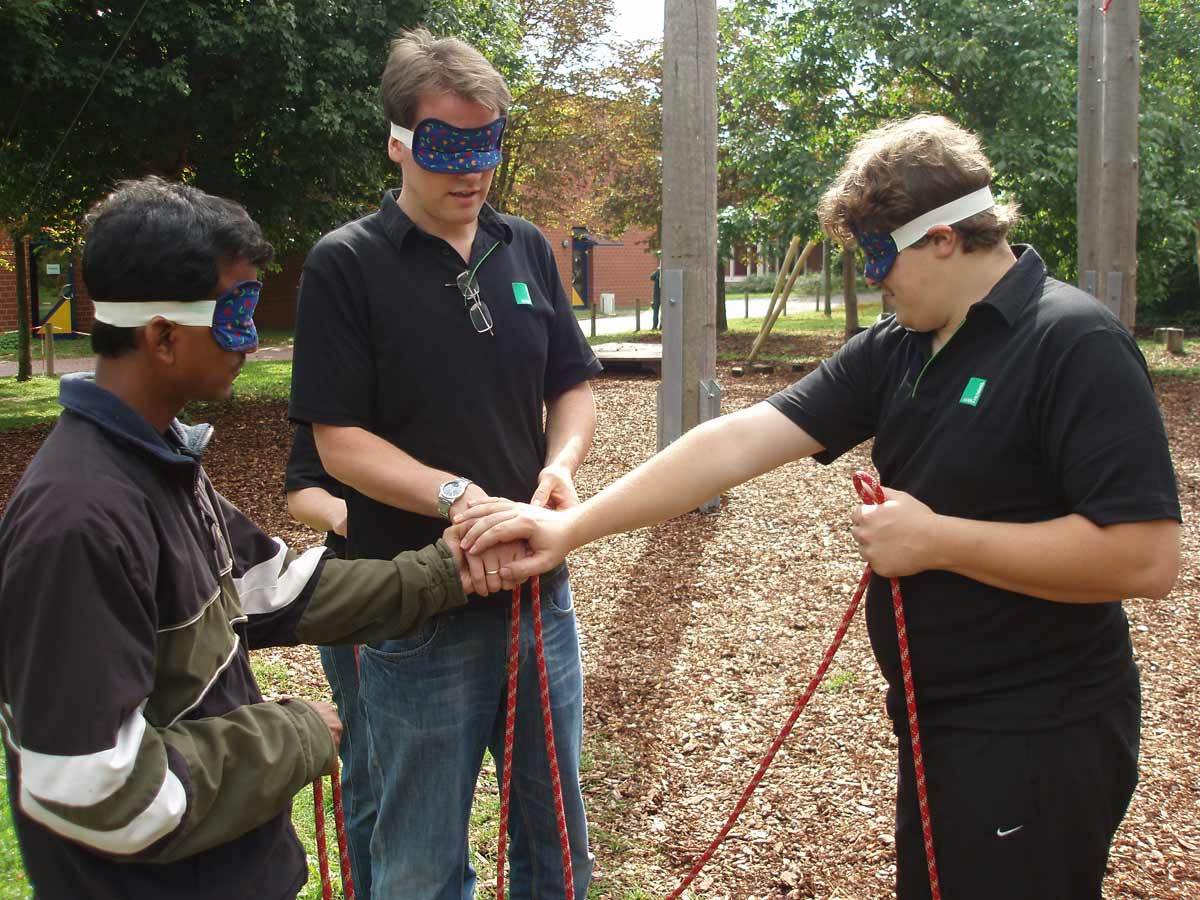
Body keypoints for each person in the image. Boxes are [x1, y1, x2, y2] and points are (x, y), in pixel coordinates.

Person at [454, 115, 1182, 900]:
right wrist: (572, 526)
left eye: (878, 254)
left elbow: (1144, 557)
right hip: (938, 721)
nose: (874, 279)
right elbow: (735, 442)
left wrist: (939, 542)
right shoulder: (907, 344)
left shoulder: (1073, 343)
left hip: (1041, 732)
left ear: (942, 237)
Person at [0, 177, 472, 900]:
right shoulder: (80, 521)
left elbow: (277, 588)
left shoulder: (158, 467)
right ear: (161, 335)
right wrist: (296, 734)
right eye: (235, 314)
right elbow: (95, 787)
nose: (252, 341)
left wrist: (452, 570)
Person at [287, 28, 601, 900]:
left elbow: (573, 384)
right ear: (397, 141)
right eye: (447, 147)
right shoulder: (345, 264)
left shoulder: (526, 247)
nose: (471, 170)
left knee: (559, 845)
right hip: (420, 607)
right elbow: (334, 441)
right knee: (421, 860)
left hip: (542, 593)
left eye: (487, 144)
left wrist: (560, 469)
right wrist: (458, 497)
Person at [284, 423, 375, 897]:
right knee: (369, 769)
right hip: (359, 593)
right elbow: (301, 491)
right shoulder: (345, 356)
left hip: (472, 596)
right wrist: (354, 518)